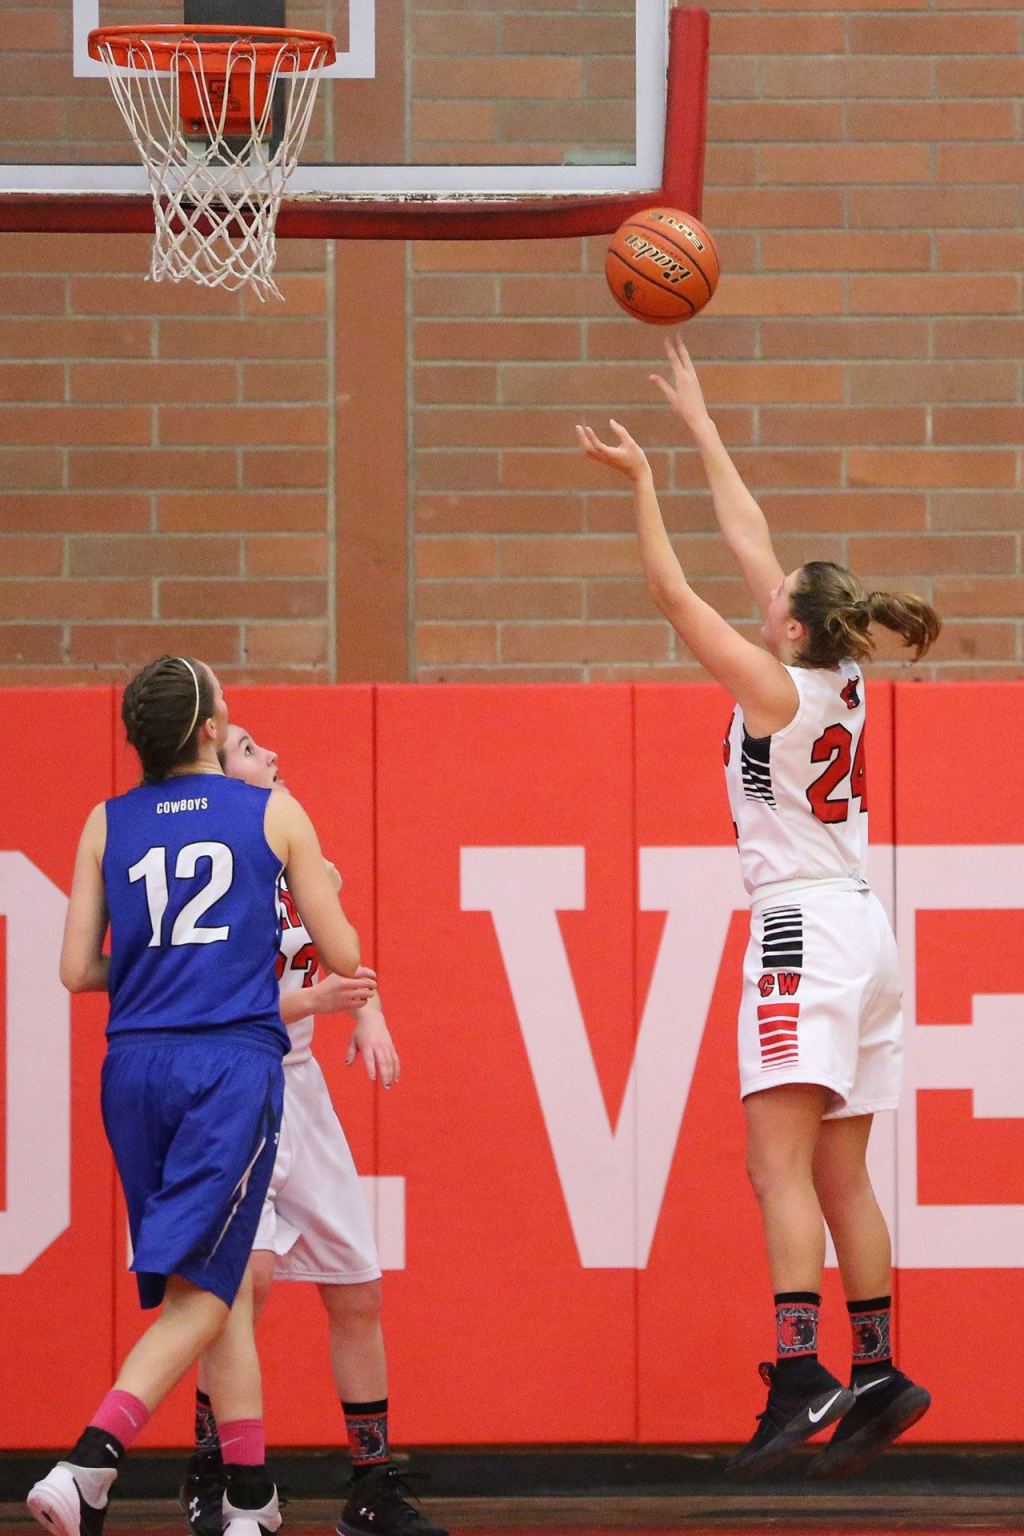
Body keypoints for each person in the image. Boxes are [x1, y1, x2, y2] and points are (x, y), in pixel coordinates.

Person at [576, 339, 940, 1482]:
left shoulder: (770, 686)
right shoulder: (835, 672)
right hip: (865, 930)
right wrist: (697, 425)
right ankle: (877, 1361)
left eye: (774, 594)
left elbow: (673, 589)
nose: (764, 584)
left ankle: (800, 1369)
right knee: (840, 1174)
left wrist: (642, 487)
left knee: (772, 1166)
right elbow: (749, 541)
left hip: (800, 928)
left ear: (788, 626)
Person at [29, 655, 362, 1536]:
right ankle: (90, 1460)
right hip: (227, 1065)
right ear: (210, 730)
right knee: (210, 1293)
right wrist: (311, 876)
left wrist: (159, 969)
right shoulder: (272, 812)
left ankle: (249, 1501)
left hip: (134, 1067)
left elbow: (75, 970)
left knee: (210, 1280)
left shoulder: (106, 821)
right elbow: (342, 950)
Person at [180, 723, 447, 1536]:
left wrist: (368, 1014)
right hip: (237, 1085)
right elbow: (224, 1006)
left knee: (358, 1290)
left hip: (301, 1087)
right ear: (219, 775)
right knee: (242, 1288)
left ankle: (372, 1488)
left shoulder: (297, 850)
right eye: (250, 748)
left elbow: (336, 952)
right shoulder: (213, 879)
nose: (272, 755)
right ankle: (216, 1472)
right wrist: (320, 1004)